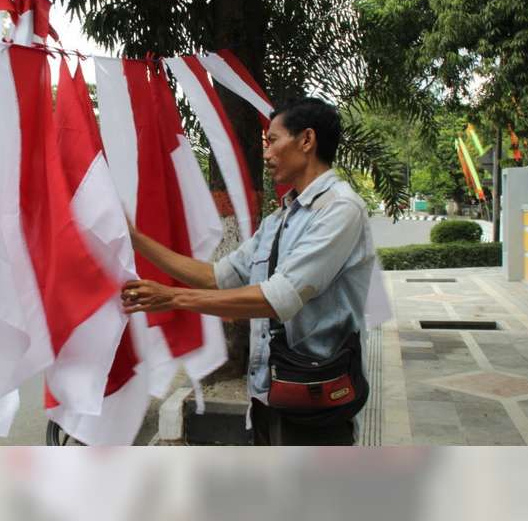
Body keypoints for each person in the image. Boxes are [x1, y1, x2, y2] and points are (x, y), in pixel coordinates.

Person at [121, 97, 375, 446]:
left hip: (316, 396)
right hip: (268, 394)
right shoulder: (280, 219)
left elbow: (277, 299)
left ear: (306, 140)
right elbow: (216, 276)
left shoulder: (339, 210)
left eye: (272, 141)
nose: (266, 153)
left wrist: (173, 298)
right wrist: (136, 240)